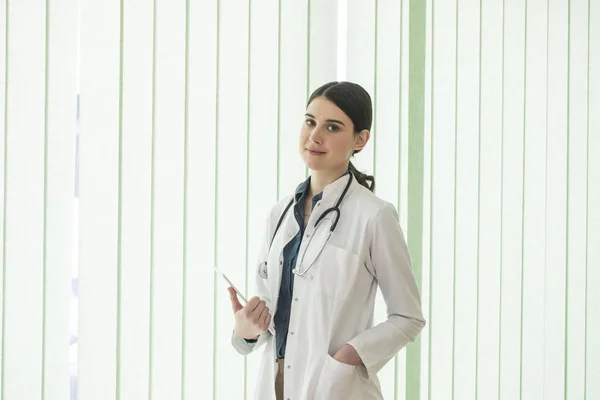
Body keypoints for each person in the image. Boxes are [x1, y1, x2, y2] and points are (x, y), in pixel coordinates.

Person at [229, 81, 426, 400]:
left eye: (332, 127)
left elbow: (408, 317)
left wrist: (349, 355)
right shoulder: (279, 214)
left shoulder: (374, 216)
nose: (315, 136)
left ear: (360, 139)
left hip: (336, 388)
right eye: (310, 122)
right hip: (275, 385)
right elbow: (277, 316)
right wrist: (247, 330)